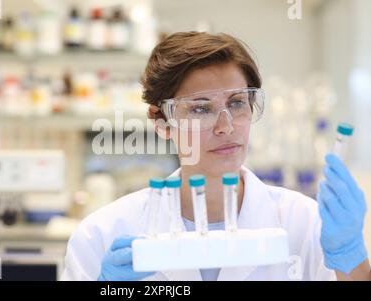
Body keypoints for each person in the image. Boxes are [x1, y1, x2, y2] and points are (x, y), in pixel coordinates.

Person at [61, 32, 370, 281]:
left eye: (237, 103)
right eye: (200, 108)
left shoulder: (304, 223)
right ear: (161, 122)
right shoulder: (102, 234)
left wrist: (351, 260)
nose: (226, 126)